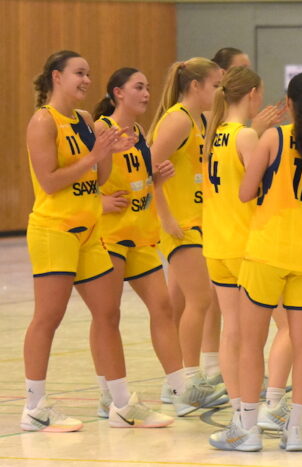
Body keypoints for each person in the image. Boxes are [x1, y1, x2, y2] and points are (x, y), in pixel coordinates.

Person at [22, 50, 172, 431]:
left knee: (107, 315)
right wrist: (93, 156)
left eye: (88, 74)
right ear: (57, 77)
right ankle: (34, 407)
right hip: (55, 230)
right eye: (79, 73)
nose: (86, 80)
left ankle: (121, 404)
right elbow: (50, 181)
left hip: (90, 233)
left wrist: (109, 152)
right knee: (48, 317)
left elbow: (101, 178)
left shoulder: (87, 120)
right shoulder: (43, 121)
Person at [216, 72, 302, 452]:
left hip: (266, 252)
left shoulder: (274, 137)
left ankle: (249, 429)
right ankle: (296, 430)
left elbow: (244, 191)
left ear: (288, 103)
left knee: (251, 342)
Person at [93, 67, 223, 418]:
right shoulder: (102, 129)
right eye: (138, 87)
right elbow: (81, 177)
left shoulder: (137, 132)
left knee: (164, 308)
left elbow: (144, 177)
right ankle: (108, 393)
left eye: (148, 86)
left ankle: (181, 388)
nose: (146, 93)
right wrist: (98, 202)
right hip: (110, 234)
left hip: (142, 232)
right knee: (106, 314)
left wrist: (157, 182)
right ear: (118, 93)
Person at [148, 57, 228, 406]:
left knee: (183, 301)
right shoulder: (179, 119)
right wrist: (164, 216)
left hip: (197, 221)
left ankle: (175, 383)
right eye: (215, 85)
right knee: (202, 299)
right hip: (180, 225)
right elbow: (146, 168)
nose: (219, 92)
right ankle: (188, 385)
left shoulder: (196, 120)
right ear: (195, 86)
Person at [199, 65, 265, 447]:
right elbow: (259, 192)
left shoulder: (215, 134)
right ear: (253, 94)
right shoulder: (245, 136)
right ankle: (257, 414)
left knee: (231, 333)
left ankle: (240, 416)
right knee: (255, 336)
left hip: (216, 245)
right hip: (244, 245)